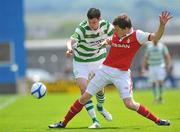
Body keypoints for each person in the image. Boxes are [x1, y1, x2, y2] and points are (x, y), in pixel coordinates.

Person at [49, 11, 172, 128]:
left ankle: (158, 121)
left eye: (117, 29)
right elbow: (109, 40)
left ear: (125, 29)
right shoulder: (116, 33)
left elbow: (156, 37)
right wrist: (103, 43)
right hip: (105, 70)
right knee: (84, 97)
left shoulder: (138, 35)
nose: (114, 31)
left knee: (130, 104)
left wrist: (161, 25)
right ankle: (63, 123)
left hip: (122, 74)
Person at [55, 8, 114, 128]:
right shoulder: (82, 29)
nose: (92, 25)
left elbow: (116, 35)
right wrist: (69, 49)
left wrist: (111, 41)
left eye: (94, 22)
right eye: (90, 22)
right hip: (81, 61)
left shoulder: (106, 25)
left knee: (99, 89)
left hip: (98, 59)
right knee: (84, 91)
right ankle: (95, 121)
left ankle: (100, 107)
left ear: (99, 19)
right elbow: (70, 41)